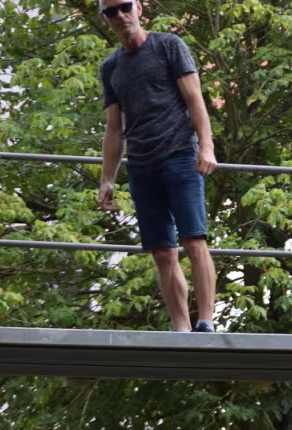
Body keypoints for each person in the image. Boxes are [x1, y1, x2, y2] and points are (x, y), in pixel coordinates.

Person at [97, 0, 218, 333]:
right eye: (111, 11)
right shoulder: (110, 67)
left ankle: (205, 322)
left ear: (138, 8)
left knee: (194, 241)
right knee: (163, 252)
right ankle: (181, 331)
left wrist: (206, 147)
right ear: (104, 19)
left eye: (124, 7)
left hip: (180, 155)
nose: (120, 15)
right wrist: (106, 180)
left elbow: (195, 99)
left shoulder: (168, 45)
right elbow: (114, 128)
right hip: (141, 166)